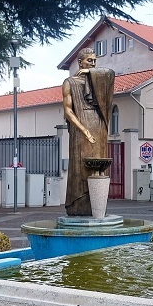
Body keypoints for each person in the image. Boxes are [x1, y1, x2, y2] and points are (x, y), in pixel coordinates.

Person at [62, 48, 115, 216]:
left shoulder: (97, 81)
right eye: (89, 61)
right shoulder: (69, 82)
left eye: (94, 61)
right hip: (81, 126)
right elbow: (68, 111)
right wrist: (84, 130)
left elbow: (110, 74)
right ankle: (78, 203)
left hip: (98, 125)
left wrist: (90, 72)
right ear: (80, 62)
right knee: (80, 165)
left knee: (99, 165)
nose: (93, 64)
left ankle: (98, 205)